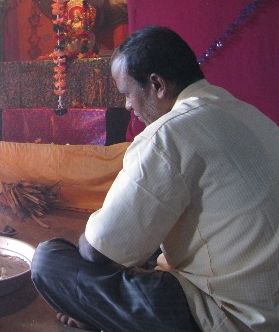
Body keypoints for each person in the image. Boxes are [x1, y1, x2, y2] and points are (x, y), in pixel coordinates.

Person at [31, 26, 279, 332]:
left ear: (157, 84)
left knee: (50, 261)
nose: (128, 106)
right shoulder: (248, 114)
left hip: (232, 317)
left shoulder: (168, 133)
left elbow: (98, 249)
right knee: (146, 248)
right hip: (267, 301)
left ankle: (99, 315)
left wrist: (96, 242)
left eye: (126, 93)